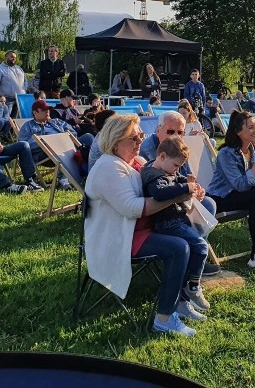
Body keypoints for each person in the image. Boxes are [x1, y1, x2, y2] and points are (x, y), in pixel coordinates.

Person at [85, 114, 204, 336]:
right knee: (179, 248)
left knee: (191, 238)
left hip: (139, 230)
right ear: (114, 140)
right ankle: (164, 319)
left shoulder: (137, 162)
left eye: (140, 136)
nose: (140, 141)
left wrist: (188, 188)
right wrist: (179, 195)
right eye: (133, 138)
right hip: (117, 236)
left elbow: (167, 184)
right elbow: (132, 208)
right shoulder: (108, 167)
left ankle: (181, 299)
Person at [140, 136, 210, 319]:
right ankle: (193, 287)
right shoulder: (154, 176)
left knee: (197, 248)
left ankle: (184, 296)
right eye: (176, 165)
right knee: (201, 247)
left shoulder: (165, 170)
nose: (177, 170)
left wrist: (192, 188)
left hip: (176, 220)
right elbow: (160, 193)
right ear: (162, 156)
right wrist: (185, 188)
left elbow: (175, 179)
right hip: (167, 223)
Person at [208, 111, 255, 273]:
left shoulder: (252, 150)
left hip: (238, 194)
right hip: (220, 198)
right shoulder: (226, 154)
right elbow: (240, 185)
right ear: (238, 131)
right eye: (251, 127)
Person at [17, 100, 94, 189]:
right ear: (35, 112)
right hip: (44, 153)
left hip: (66, 144)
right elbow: (24, 144)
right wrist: (45, 141)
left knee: (88, 137)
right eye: (44, 110)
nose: (48, 112)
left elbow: (73, 132)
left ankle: (92, 173)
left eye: (48, 110)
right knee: (59, 148)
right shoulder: (28, 126)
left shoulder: (56, 122)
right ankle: (63, 180)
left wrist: (62, 137)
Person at [0, 51, 26, 117]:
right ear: (6, 57)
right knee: (6, 119)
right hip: (7, 99)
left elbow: (25, 80)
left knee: (14, 119)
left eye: (15, 58)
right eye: (12, 57)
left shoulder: (19, 68)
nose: (14, 59)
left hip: (19, 99)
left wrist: (25, 89)